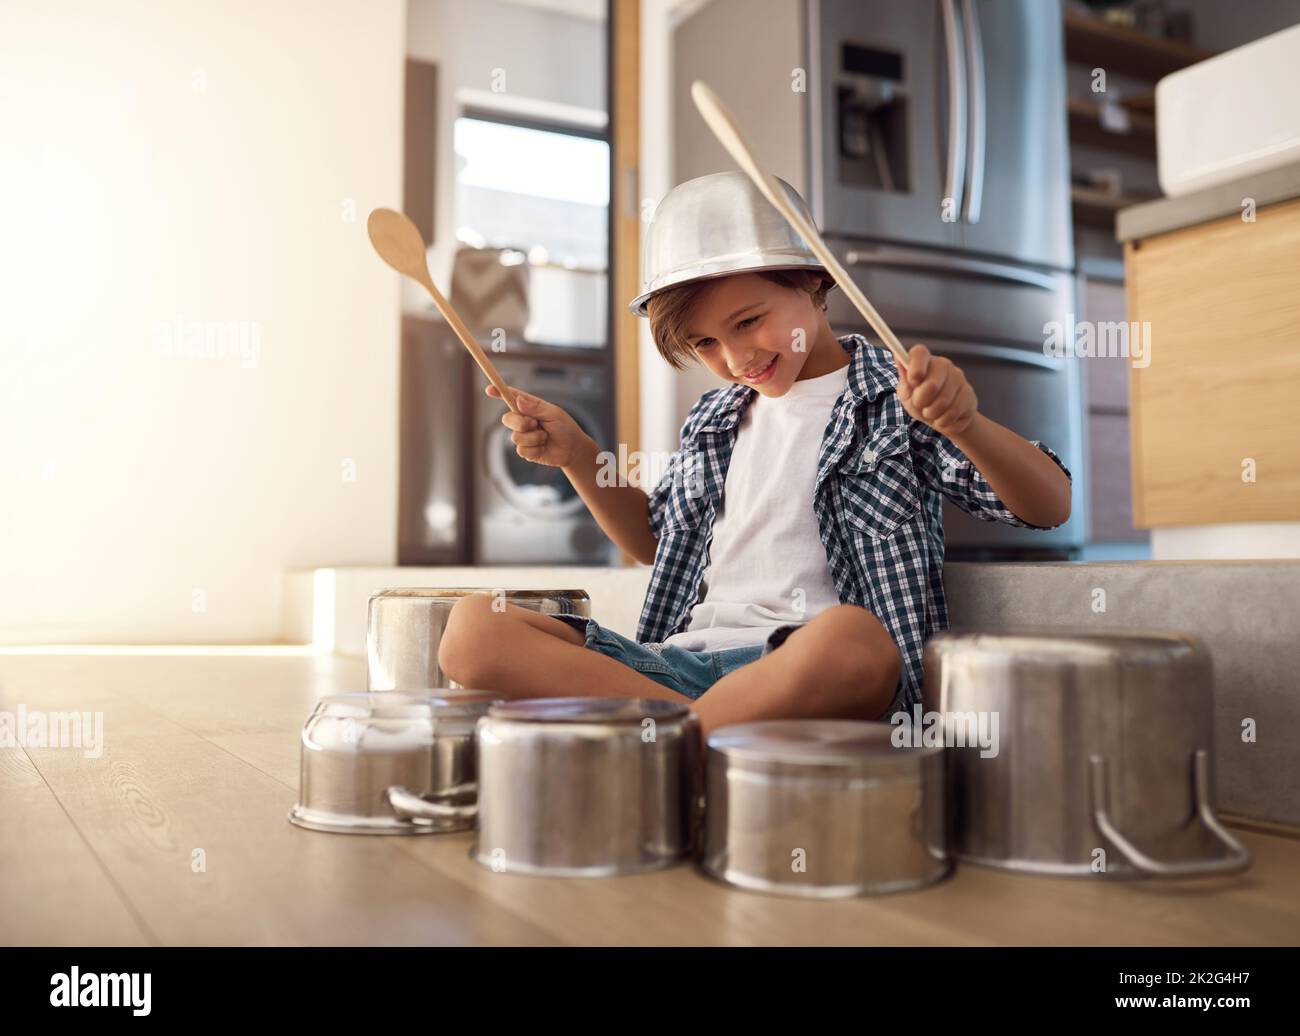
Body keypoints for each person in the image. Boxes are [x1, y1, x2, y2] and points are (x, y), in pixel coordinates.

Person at [438, 171, 1072, 738]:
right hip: (674, 667)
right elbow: (658, 545)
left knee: (854, 640)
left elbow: (1049, 505)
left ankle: (657, 745)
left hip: (798, 670)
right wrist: (578, 456)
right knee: (474, 629)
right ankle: (684, 736)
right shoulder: (713, 419)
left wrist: (965, 425)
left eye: (747, 322)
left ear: (812, 280)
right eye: (706, 343)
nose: (735, 358)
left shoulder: (899, 397)